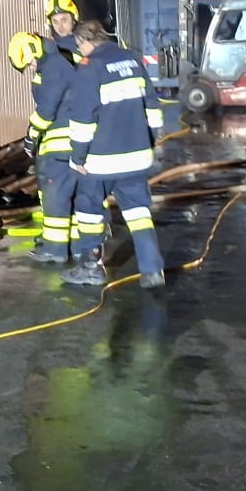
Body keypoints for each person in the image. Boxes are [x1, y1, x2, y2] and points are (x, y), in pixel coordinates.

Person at [63, 19, 166, 289]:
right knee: (138, 211)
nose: (79, 51)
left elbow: (83, 119)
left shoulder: (90, 67)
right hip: (137, 156)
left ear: (85, 41)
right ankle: (153, 271)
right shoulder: (132, 60)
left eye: (79, 46)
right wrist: (150, 142)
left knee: (88, 209)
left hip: (101, 161)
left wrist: (78, 157)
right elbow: (152, 106)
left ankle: (90, 268)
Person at [10, 29, 80, 264]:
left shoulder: (52, 66)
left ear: (32, 50)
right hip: (71, 142)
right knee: (71, 197)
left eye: (28, 62)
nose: (30, 67)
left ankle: (55, 249)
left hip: (59, 145)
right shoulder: (55, 62)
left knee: (55, 197)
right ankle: (75, 247)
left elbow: (47, 109)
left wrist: (32, 134)